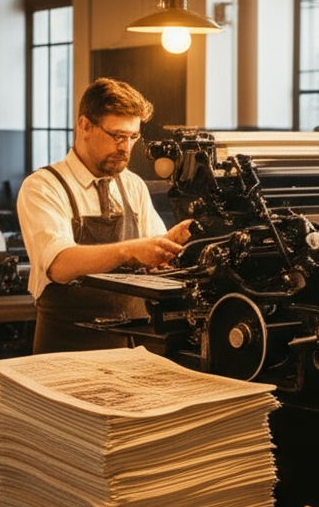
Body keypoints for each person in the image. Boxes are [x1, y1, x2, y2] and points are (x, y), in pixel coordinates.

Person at [17, 77, 194, 354]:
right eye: (117, 136)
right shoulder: (43, 186)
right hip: (69, 347)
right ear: (85, 125)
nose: (125, 148)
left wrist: (170, 247)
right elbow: (60, 264)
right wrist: (130, 251)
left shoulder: (132, 185)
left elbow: (153, 252)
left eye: (133, 137)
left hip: (135, 346)